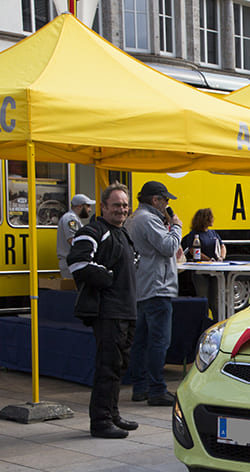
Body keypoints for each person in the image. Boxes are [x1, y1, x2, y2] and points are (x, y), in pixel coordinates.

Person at [66, 182, 139, 439]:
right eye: (117, 205)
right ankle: (100, 422)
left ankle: (113, 414)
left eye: (125, 205)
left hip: (127, 310)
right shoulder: (94, 230)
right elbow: (77, 263)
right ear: (103, 207)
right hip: (109, 312)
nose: (122, 210)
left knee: (119, 366)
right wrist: (108, 277)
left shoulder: (123, 233)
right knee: (108, 366)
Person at [127, 180, 182, 407]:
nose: (167, 205)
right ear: (155, 200)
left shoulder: (134, 218)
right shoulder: (149, 219)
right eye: (165, 200)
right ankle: (157, 388)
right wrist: (177, 226)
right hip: (157, 286)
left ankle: (140, 387)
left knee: (140, 340)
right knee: (159, 340)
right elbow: (169, 247)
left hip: (141, 286)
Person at [181, 208, 226, 321]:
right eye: (210, 217)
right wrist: (209, 259)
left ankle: (218, 323)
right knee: (204, 299)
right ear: (204, 219)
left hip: (215, 270)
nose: (213, 219)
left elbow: (222, 246)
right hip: (201, 271)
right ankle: (203, 324)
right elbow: (194, 251)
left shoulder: (213, 233)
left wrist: (221, 257)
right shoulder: (194, 235)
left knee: (216, 301)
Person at [57, 193, 96, 279]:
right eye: (88, 206)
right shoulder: (70, 219)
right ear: (79, 206)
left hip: (72, 262)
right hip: (70, 263)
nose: (90, 210)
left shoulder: (74, 219)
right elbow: (73, 240)